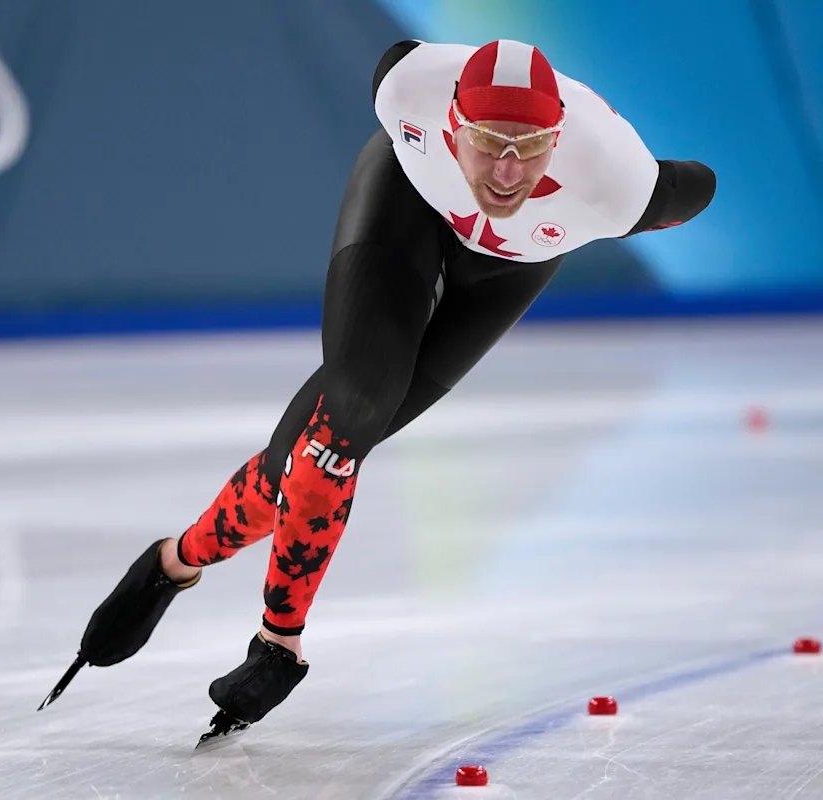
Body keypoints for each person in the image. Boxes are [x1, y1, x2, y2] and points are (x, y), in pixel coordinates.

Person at [37, 38, 716, 746]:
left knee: (293, 470)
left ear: (560, 138)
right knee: (350, 412)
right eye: (487, 143)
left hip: (508, 273)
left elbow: (698, 186)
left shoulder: (618, 183)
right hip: (404, 208)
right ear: (452, 120)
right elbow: (401, 54)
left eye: (532, 146)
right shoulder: (408, 89)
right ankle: (280, 643)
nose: (508, 172)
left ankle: (173, 561)